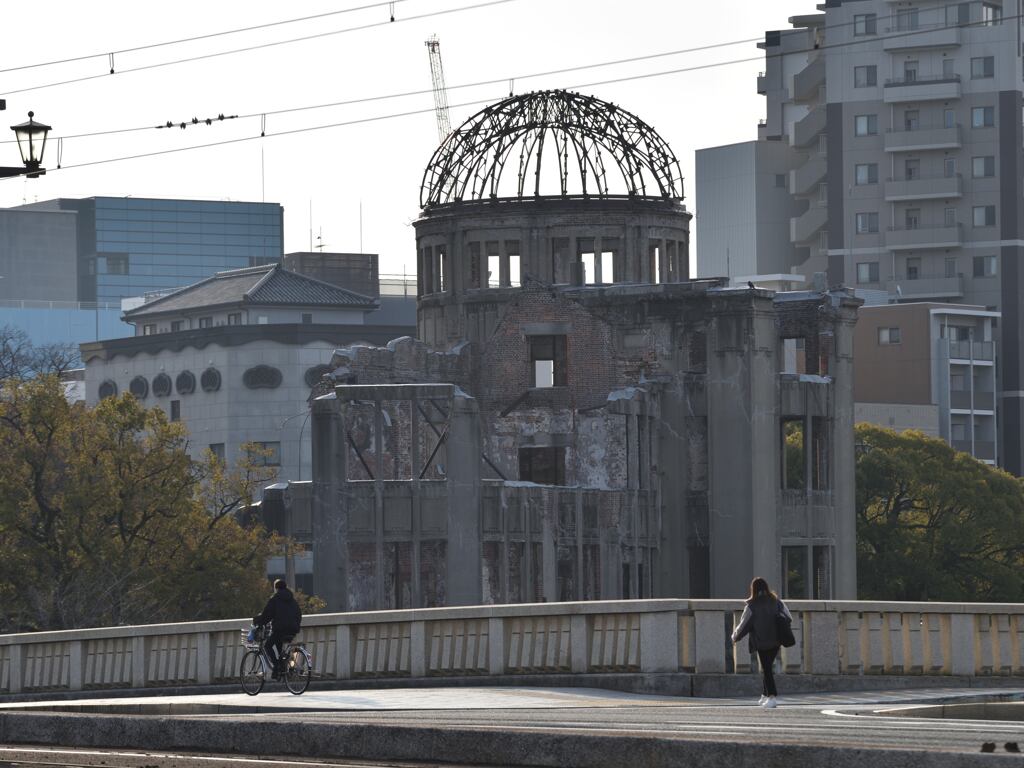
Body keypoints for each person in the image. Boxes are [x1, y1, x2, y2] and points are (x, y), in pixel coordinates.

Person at [730, 576, 791, 709]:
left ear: (753, 589)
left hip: (761, 641)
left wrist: (734, 637)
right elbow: (789, 617)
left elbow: (743, 625)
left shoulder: (752, 606)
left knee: (767, 668)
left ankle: (772, 697)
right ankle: (764, 694)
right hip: (776, 641)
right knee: (767, 667)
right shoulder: (777, 602)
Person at [253, 578, 303, 678]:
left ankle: (276, 666)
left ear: (276, 588)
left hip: (280, 629)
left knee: (268, 646)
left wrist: (259, 622)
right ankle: (282, 669)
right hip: (292, 629)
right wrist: (295, 626)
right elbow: (299, 614)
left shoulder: (275, 599)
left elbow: (267, 614)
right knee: (281, 649)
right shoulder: (293, 600)